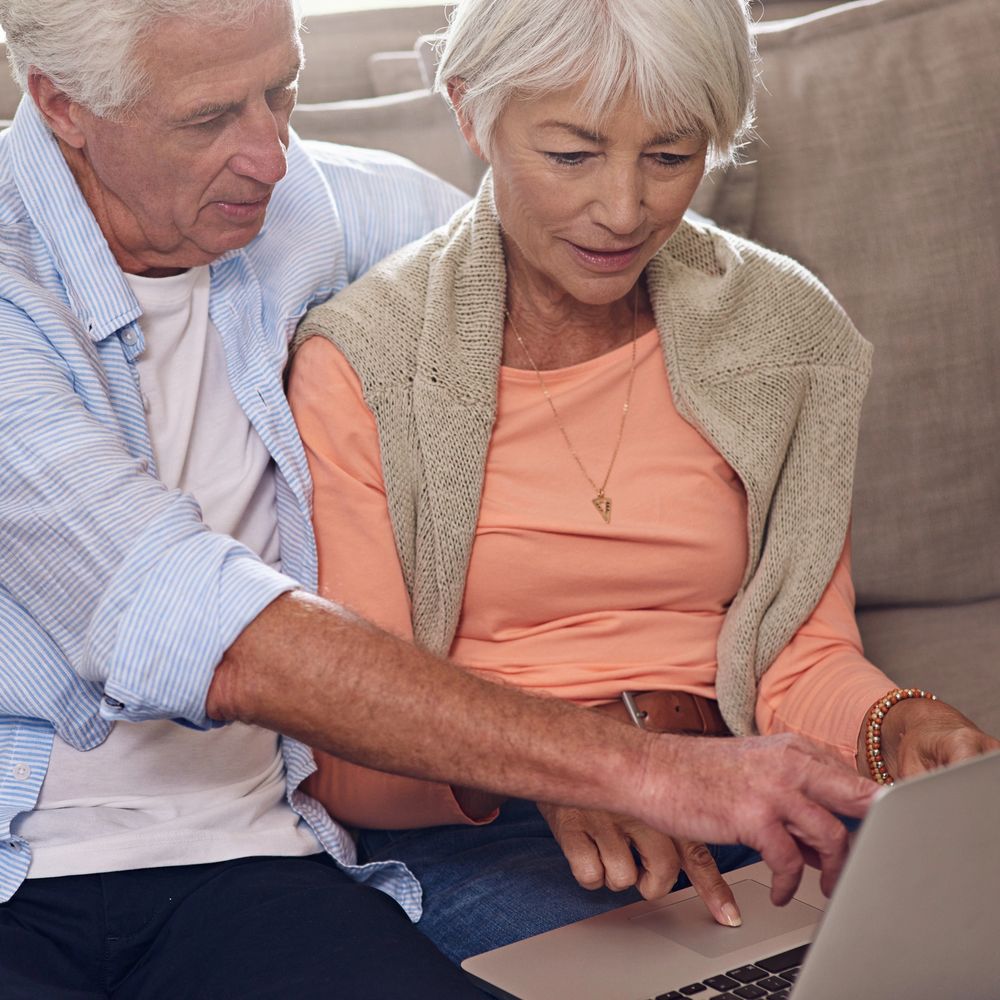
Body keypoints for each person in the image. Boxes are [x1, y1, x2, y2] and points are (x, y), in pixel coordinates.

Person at [0, 0, 900, 996]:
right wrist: (623, 762)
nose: (271, 154)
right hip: (22, 869)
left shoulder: (330, 209)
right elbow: (194, 619)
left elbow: (540, 250)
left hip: (255, 855)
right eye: (211, 118)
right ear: (61, 105)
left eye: (282, 92)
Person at [288, 0, 1000, 966]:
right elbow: (345, 754)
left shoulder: (785, 335)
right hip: (500, 826)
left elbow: (795, 658)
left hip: (745, 783)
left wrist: (891, 723)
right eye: (574, 155)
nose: (625, 211)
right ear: (471, 113)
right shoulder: (365, 363)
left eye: (669, 157)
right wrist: (578, 763)